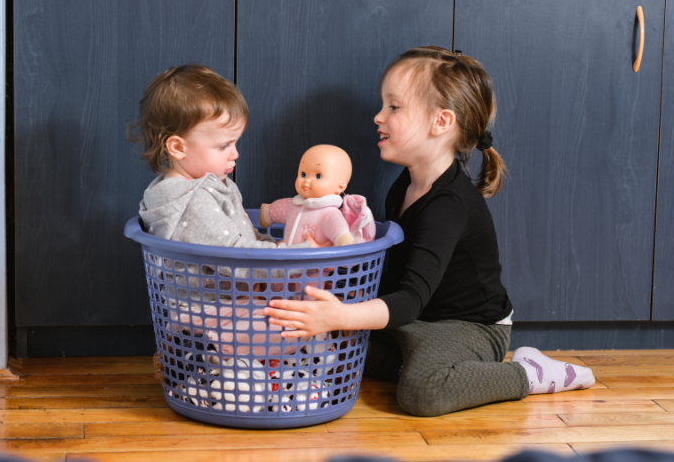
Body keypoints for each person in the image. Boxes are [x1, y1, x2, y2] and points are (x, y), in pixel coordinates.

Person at [262, 46, 595, 417]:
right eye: (383, 105)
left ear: (441, 123)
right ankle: (418, 365)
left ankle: (526, 374)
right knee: (329, 348)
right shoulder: (405, 185)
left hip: (468, 326)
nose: (378, 116)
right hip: (417, 322)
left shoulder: (448, 205)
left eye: (393, 107)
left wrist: (340, 316)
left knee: (423, 394)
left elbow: (410, 298)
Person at [128, 64, 308, 249]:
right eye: (223, 146)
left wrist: (275, 245)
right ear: (178, 147)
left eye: (235, 143)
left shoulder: (204, 185)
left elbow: (240, 236)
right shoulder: (193, 202)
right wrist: (291, 259)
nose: (235, 154)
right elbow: (233, 254)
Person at [260, 144, 376, 247]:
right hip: (284, 265)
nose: (307, 181)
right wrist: (268, 212)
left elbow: (337, 227)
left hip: (312, 268)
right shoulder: (295, 204)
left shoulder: (328, 214)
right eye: (303, 174)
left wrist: (342, 238)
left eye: (318, 176)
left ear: (340, 187)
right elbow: (280, 209)